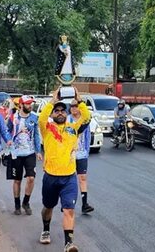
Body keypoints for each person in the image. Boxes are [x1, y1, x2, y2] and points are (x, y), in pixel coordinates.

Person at [38, 87, 90, 252]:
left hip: (69, 178)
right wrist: (53, 100)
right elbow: (42, 118)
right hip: (50, 177)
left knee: (69, 209)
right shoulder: (46, 128)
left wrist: (79, 100)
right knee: (48, 207)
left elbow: (87, 118)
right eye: (56, 111)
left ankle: (69, 243)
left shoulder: (73, 128)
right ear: (53, 114)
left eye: (62, 110)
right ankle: (46, 229)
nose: (59, 112)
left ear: (66, 113)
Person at [7, 95, 42, 215]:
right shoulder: (13, 117)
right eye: (27, 104)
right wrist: (8, 140)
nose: (30, 105)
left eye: (31, 103)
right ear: (21, 105)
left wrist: (38, 151)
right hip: (16, 153)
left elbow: (36, 135)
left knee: (31, 178)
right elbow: (7, 131)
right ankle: (17, 205)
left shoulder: (34, 118)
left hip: (30, 153)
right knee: (17, 180)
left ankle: (26, 202)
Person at [68, 99, 94, 214]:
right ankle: (68, 203)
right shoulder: (67, 120)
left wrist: (86, 151)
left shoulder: (85, 119)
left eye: (76, 105)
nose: (73, 108)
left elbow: (88, 136)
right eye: (71, 106)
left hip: (82, 154)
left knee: (82, 178)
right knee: (69, 180)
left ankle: (85, 204)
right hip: (69, 155)